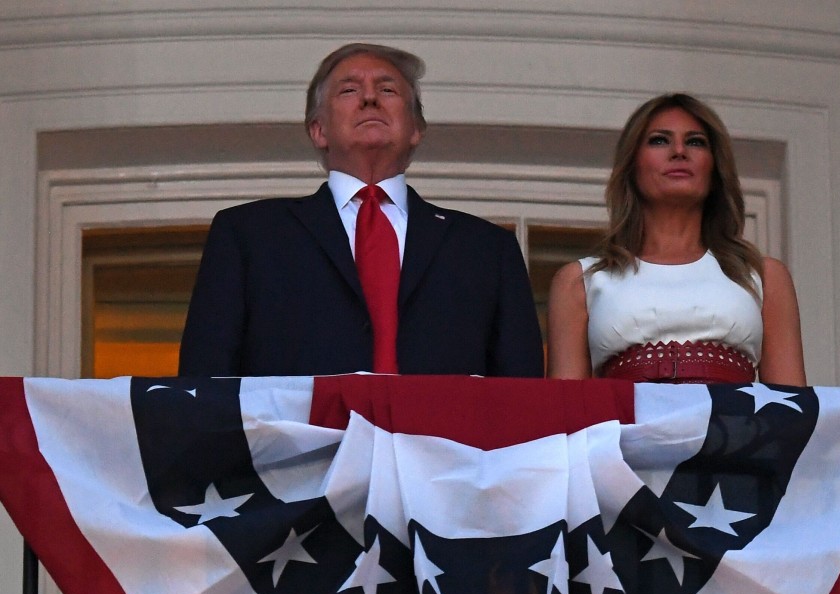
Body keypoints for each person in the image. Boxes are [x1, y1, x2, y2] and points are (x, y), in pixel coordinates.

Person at [178, 43, 544, 378]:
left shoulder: (487, 250)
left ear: (416, 128)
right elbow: (204, 390)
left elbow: (522, 401)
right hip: (300, 450)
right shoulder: (249, 236)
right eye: (349, 90)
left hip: (442, 449)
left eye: (387, 89)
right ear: (318, 130)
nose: (370, 98)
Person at [546, 93, 805, 386]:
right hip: (628, 431)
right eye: (659, 140)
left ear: (714, 168)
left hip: (734, 431)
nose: (679, 151)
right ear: (631, 165)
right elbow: (566, 414)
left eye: (695, 141)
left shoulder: (763, 276)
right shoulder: (580, 281)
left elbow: (793, 411)